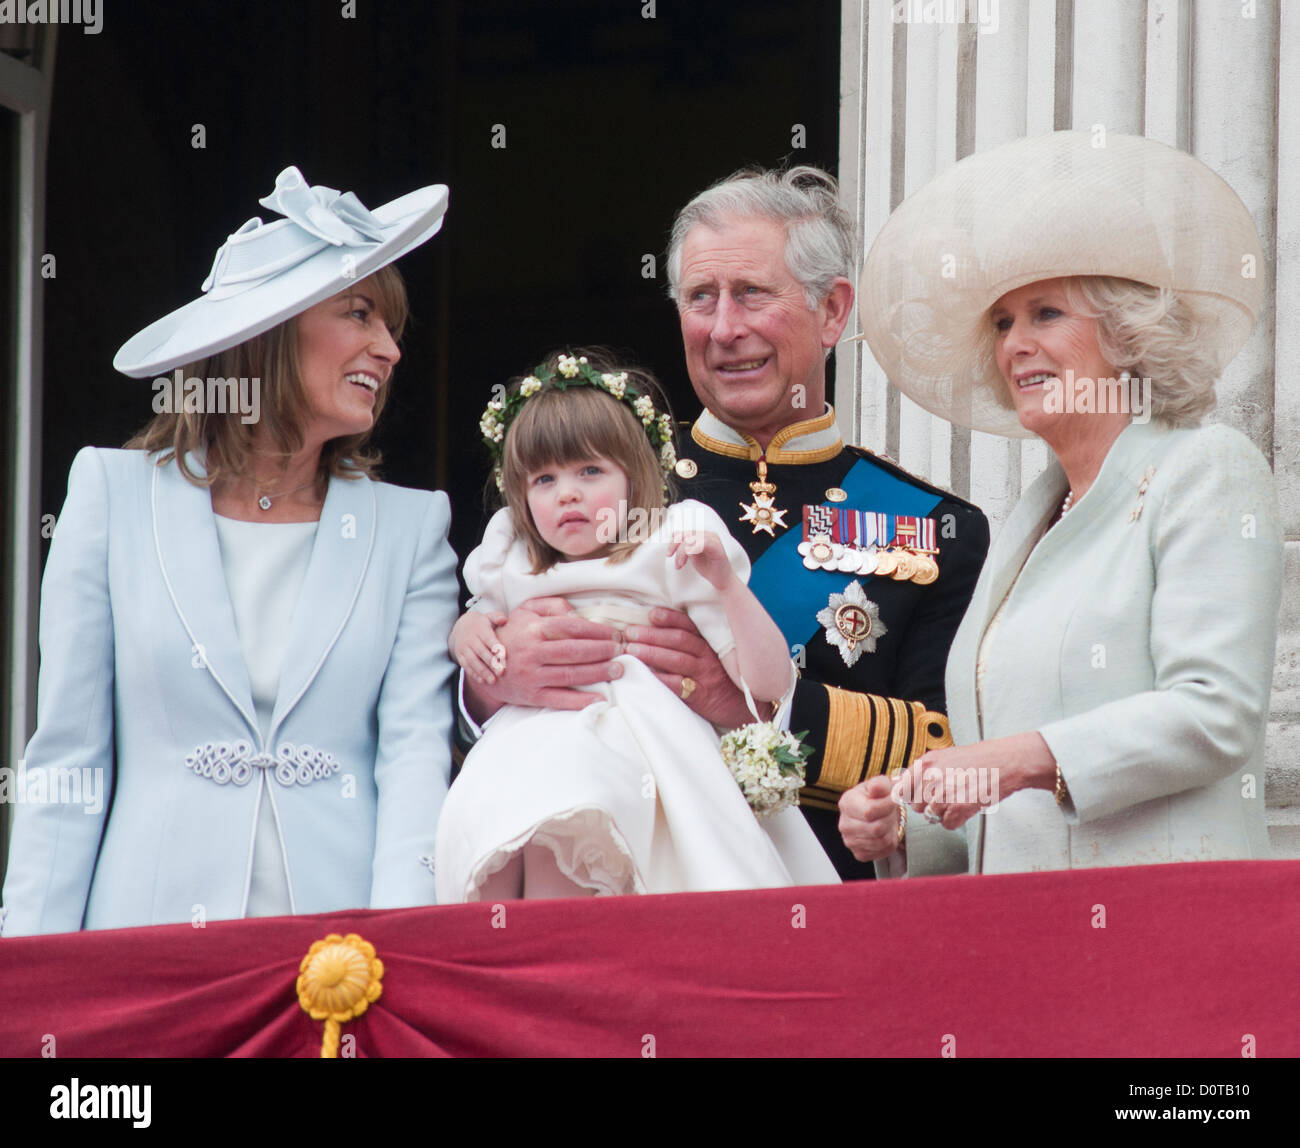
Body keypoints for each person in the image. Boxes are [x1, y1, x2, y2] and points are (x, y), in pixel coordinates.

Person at [461, 166, 989, 881]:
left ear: (833, 311)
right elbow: (454, 675)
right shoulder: (593, 478)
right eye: (701, 298)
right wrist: (496, 680)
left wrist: (749, 707)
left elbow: (948, 752)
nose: (723, 329)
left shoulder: (929, 525)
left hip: (823, 899)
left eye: (752, 295)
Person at [1, 166, 458, 934]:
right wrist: (26, 978)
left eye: (391, 328)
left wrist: (397, 959)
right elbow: (68, 760)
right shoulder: (111, 495)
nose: (389, 350)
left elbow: (414, 765)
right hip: (146, 954)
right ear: (269, 331)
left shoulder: (414, 531)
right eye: (359, 314)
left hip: (337, 965)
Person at [846, 130, 1283, 874]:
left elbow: (1215, 713)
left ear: (1124, 334)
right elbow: (1009, 805)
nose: (1015, 342)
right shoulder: (1027, 524)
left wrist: (1014, 760)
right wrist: (904, 826)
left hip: (1166, 933)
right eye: (1002, 322)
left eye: (1045, 313)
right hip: (1032, 946)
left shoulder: (1204, 469)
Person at [437, 349, 839, 900]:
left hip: (655, 752)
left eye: (590, 470)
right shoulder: (509, 560)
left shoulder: (669, 546)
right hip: (529, 747)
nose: (567, 493)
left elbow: (767, 685)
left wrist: (727, 585)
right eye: (544, 479)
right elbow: (476, 626)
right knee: (528, 834)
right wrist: (467, 636)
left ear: (637, 475)